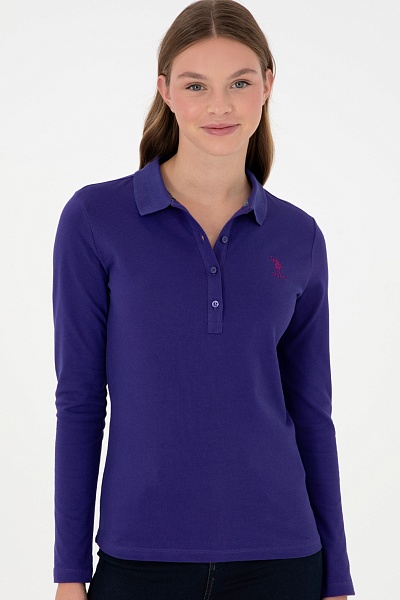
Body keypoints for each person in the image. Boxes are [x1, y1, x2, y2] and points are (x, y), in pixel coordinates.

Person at [52, 1, 355, 599]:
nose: (220, 106)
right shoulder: (95, 219)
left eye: (239, 83)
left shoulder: (298, 237)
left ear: (267, 86)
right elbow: (80, 401)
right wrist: (69, 573)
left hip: (284, 559)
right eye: (196, 85)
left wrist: (338, 578)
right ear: (165, 91)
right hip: (139, 558)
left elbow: (312, 411)